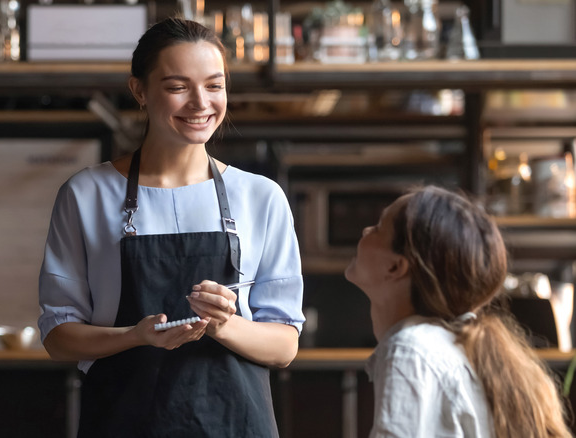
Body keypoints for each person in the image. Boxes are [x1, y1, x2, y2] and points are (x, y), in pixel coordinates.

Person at [38, 17, 305, 437]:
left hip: (236, 424)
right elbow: (58, 335)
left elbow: (285, 345)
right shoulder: (86, 193)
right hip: (123, 422)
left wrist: (223, 324)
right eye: (178, 87)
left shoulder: (261, 196)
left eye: (214, 86)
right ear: (139, 91)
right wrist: (137, 335)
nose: (201, 103)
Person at [345, 185, 572, 438]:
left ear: (395, 267)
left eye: (377, 228)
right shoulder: (448, 346)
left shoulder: (410, 350)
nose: (365, 231)